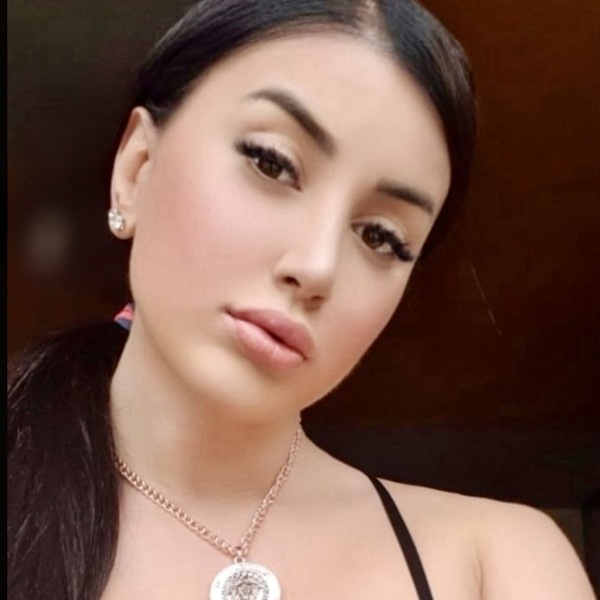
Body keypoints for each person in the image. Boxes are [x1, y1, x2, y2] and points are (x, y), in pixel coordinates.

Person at [7, 1, 596, 599]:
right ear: (136, 168)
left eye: (381, 237)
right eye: (272, 163)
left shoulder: (496, 565)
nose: (317, 267)